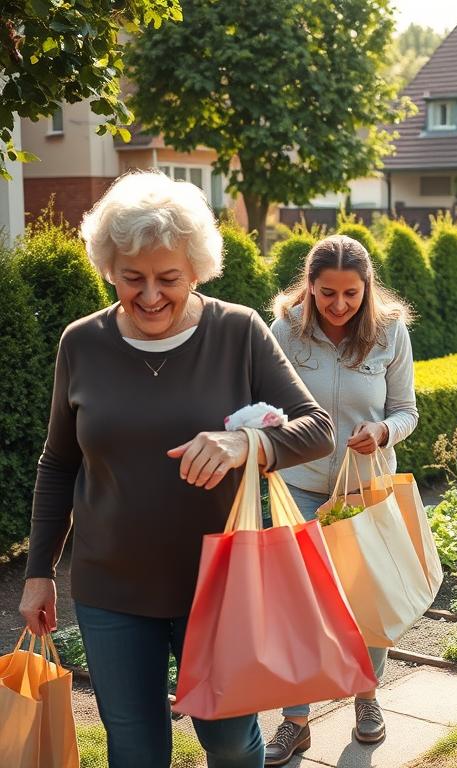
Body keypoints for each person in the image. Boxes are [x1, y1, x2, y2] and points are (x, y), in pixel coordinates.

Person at [18, 171, 336, 768]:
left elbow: (317, 429)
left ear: (196, 268)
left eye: (169, 278)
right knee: (135, 751)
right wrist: (39, 573)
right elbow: (59, 462)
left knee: (232, 745)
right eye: (130, 278)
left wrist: (247, 443)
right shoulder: (80, 343)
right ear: (108, 266)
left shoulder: (236, 331)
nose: (149, 295)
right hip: (111, 588)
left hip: (221, 587)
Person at [269, 235, 418, 763]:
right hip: (300, 488)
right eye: (326, 292)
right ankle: (295, 720)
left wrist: (381, 431)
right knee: (299, 604)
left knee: (364, 598)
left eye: (350, 294)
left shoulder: (389, 331)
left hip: (364, 488)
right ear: (308, 287)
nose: (338, 305)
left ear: (366, 287)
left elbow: (407, 411)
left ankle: (367, 699)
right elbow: (261, 404)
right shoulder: (285, 331)